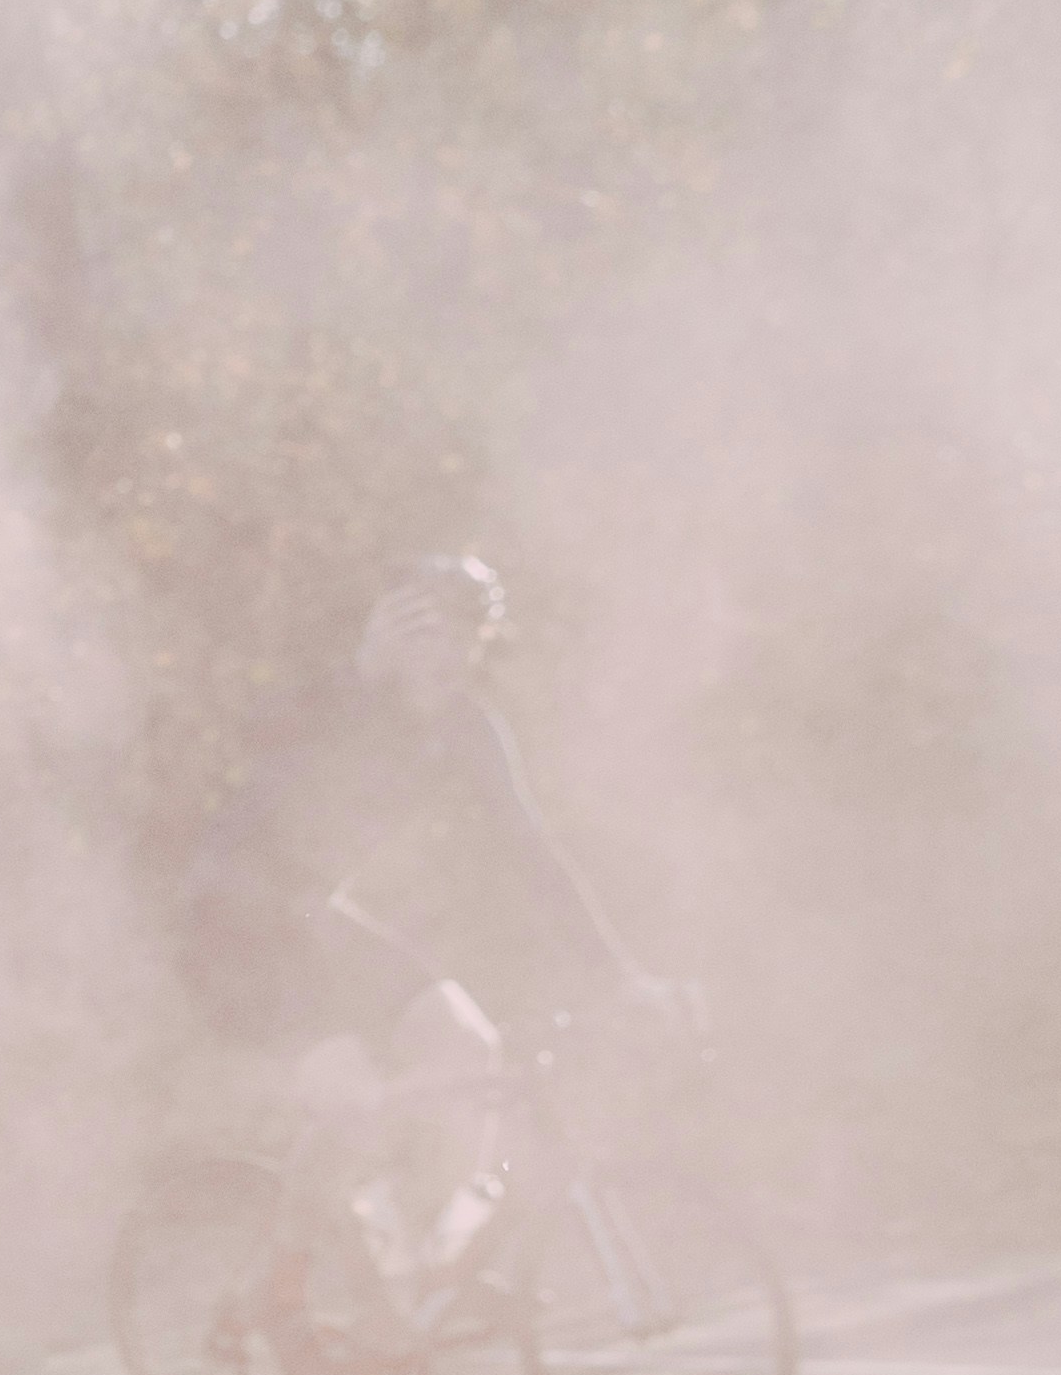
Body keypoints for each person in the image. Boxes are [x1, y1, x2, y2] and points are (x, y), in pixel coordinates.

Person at [174, 556, 685, 1326]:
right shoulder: (335, 701)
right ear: (398, 626)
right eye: (431, 627)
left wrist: (616, 975)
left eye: (468, 634)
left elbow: (531, 852)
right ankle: (277, 1292)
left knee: (470, 1051)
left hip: (317, 917)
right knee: (354, 1105)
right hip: (234, 927)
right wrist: (362, 672)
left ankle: (427, 1260)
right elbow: (269, 748)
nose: (450, 651)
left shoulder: (466, 728)